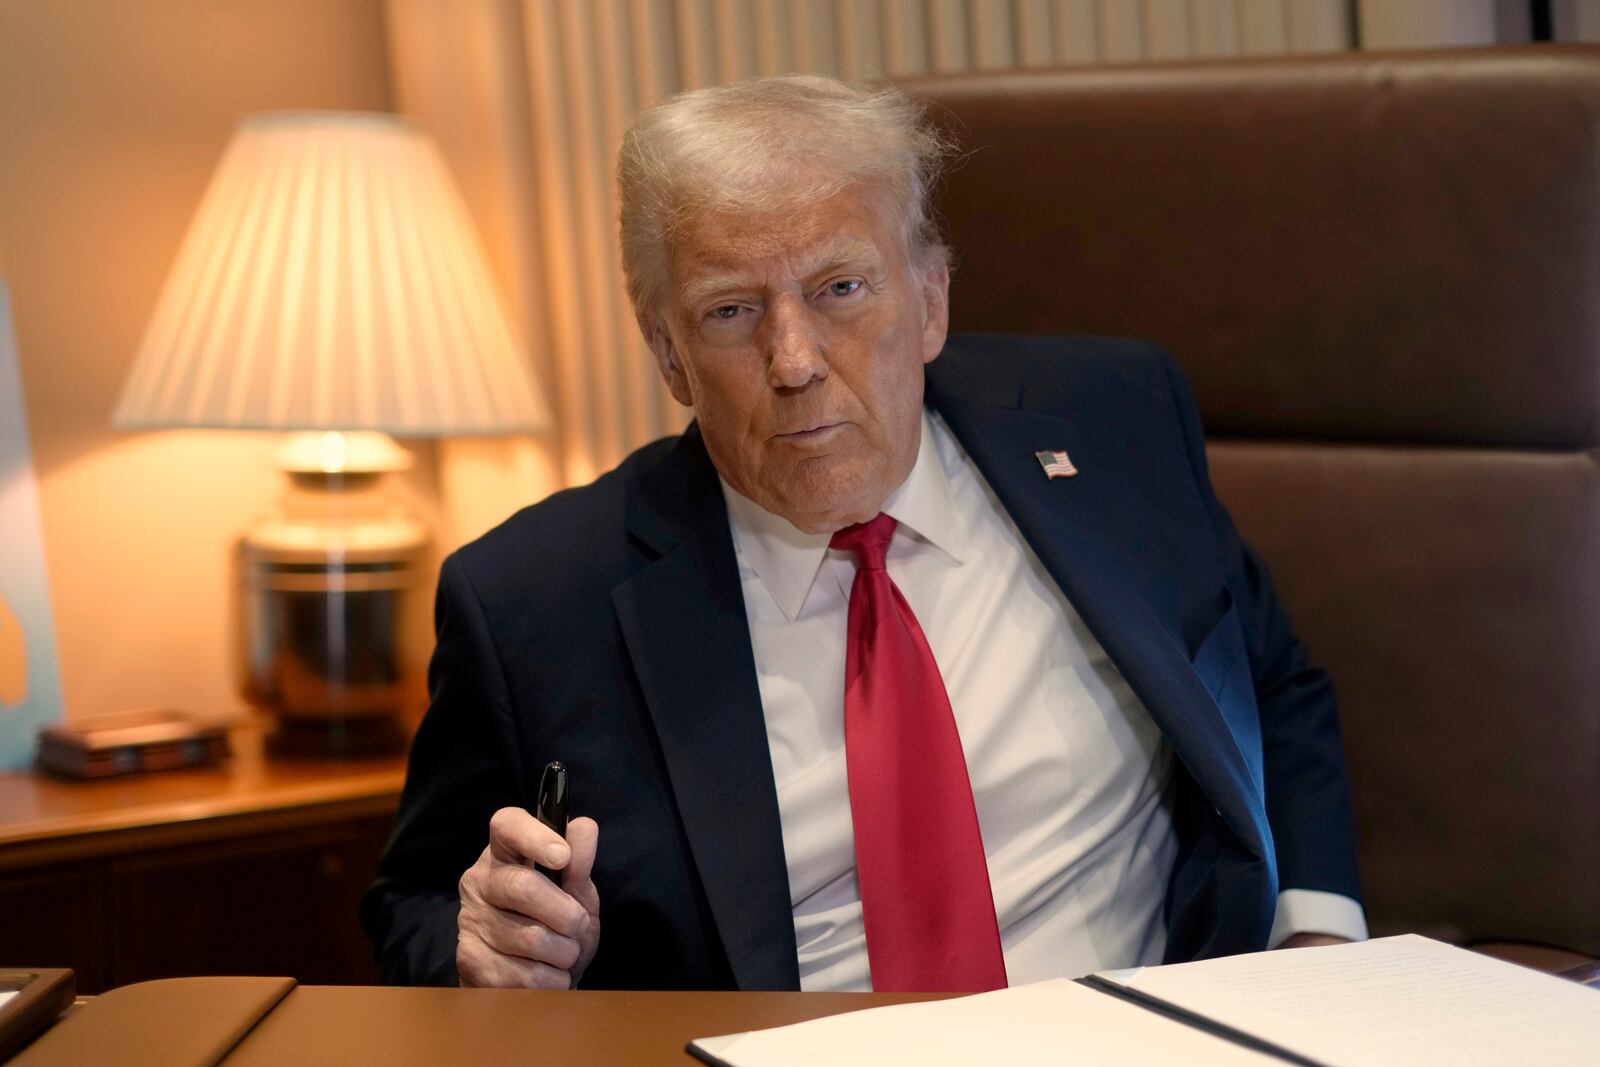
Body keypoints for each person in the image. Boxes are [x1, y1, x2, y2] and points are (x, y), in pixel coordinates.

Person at [362, 75, 1366, 992]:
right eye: (729, 310)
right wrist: (483, 944)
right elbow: (413, 908)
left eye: (841, 288)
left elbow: (1268, 681)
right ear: (668, 354)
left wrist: (1313, 934)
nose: (792, 358)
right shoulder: (533, 601)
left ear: (929, 300)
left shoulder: (1112, 421)